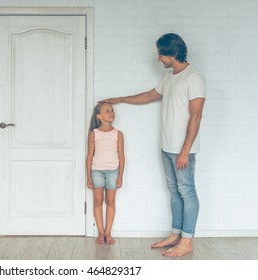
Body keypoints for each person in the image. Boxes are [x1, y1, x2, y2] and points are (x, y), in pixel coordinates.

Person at [101, 33, 206, 256]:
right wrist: (121, 99)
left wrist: (185, 150)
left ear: (172, 52)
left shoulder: (194, 78)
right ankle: (176, 233)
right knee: (174, 191)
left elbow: (196, 116)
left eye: (160, 53)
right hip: (167, 147)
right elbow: (150, 95)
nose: (158, 58)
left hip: (183, 150)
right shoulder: (170, 77)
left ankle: (187, 241)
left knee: (187, 191)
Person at [86, 102, 125, 245]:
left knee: (110, 201)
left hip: (113, 172)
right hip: (96, 171)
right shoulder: (93, 134)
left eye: (112, 110)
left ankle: (108, 232)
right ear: (99, 116)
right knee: (98, 202)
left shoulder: (118, 134)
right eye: (107, 110)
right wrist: (88, 176)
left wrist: (120, 176)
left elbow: (121, 156)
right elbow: (89, 156)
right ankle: (100, 233)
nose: (111, 112)